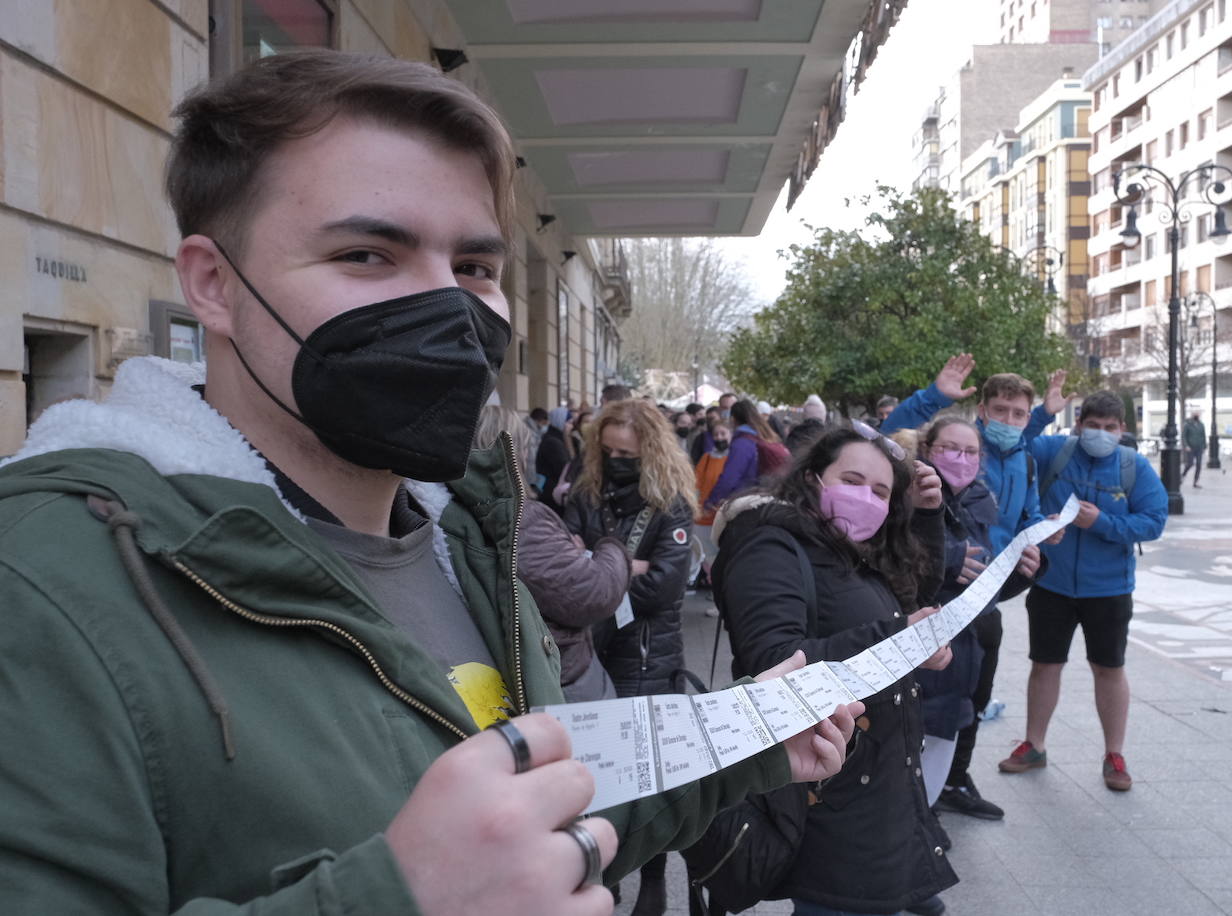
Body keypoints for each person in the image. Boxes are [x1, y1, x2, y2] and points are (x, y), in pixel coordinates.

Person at [0, 50, 862, 915]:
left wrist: (747, 738)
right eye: (369, 254)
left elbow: (551, 819)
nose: (447, 307)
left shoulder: (465, 543)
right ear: (214, 285)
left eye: (476, 268)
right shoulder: (45, 582)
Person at [711, 427, 958, 916]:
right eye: (852, 479)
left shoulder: (854, 549)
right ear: (812, 479)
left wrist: (915, 639)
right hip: (827, 796)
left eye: (882, 492)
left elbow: (912, 593)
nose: (866, 497)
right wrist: (897, 637)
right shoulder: (771, 546)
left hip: (879, 786)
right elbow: (772, 662)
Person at [881, 354, 1059, 822]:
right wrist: (936, 396)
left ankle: (953, 780)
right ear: (981, 410)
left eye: (1019, 414)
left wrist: (1033, 555)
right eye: (1000, 411)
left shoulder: (1021, 461)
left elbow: (1027, 515)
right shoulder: (922, 478)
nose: (1009, 421)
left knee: (970, 701)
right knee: (923, 708)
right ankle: (912, 802)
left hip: (983, 602)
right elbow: (885, 438)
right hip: (928, 611)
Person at [562, 398, 701, 916]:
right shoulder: (585, 494)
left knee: (650, 778)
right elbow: (564, 574)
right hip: (589, 650)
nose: (618, 457)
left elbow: (664, 588)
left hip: (648, 655)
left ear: (651, 450)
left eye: (629, 451)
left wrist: (599, 566)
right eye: (610, 449)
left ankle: (654, 878)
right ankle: (604, 873)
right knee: (594, 776)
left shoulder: (670, 505)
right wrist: (629, 566)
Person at [1000, 392, 1168, 791]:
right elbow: (1015, 442)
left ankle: (1114, 754)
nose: (1101, 434)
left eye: (1110, 428)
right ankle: (1034, 745)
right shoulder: (1055, 452)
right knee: (1045, 664)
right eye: (1093, 426)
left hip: (1109, 588)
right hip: (1051, 583)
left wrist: (1103, 523)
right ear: (1079, 425)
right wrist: (1042, 414)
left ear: (1123, 430)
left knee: (1108, 669)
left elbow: (1154, 521)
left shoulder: (1133, 467)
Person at [476, 407, 631, 703]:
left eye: (624, 453)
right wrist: (611, 547)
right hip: (560, 676)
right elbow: (593, 590)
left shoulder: (489, 511)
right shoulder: (519, 518)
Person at [705, 399, 784, 511]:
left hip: (745, 501)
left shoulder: (742, 442)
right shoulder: (766, 437)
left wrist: (711, 500)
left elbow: (730, 477)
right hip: (765, 499)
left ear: (733, 419)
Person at [536, 405, 573, 507]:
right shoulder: (553, 442)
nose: (571, 426)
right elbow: (566, 470)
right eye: (569, 422)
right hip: (552, 495)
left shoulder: (555, 438)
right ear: (560, 421)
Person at [1182, 411, 1207, 488]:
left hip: (1199, 448)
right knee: (1190, 463)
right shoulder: (1187, 425)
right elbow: (1184, 436)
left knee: (1199, 464)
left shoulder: (1201, 425)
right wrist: (1186, 446)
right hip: (1190, 448)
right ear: (1192, 415)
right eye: (1195, 413)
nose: (1196, 415)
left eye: (1198, 413)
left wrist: (1204, 446)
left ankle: (1196, 482)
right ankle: (1182, 475)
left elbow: (1203, 436)